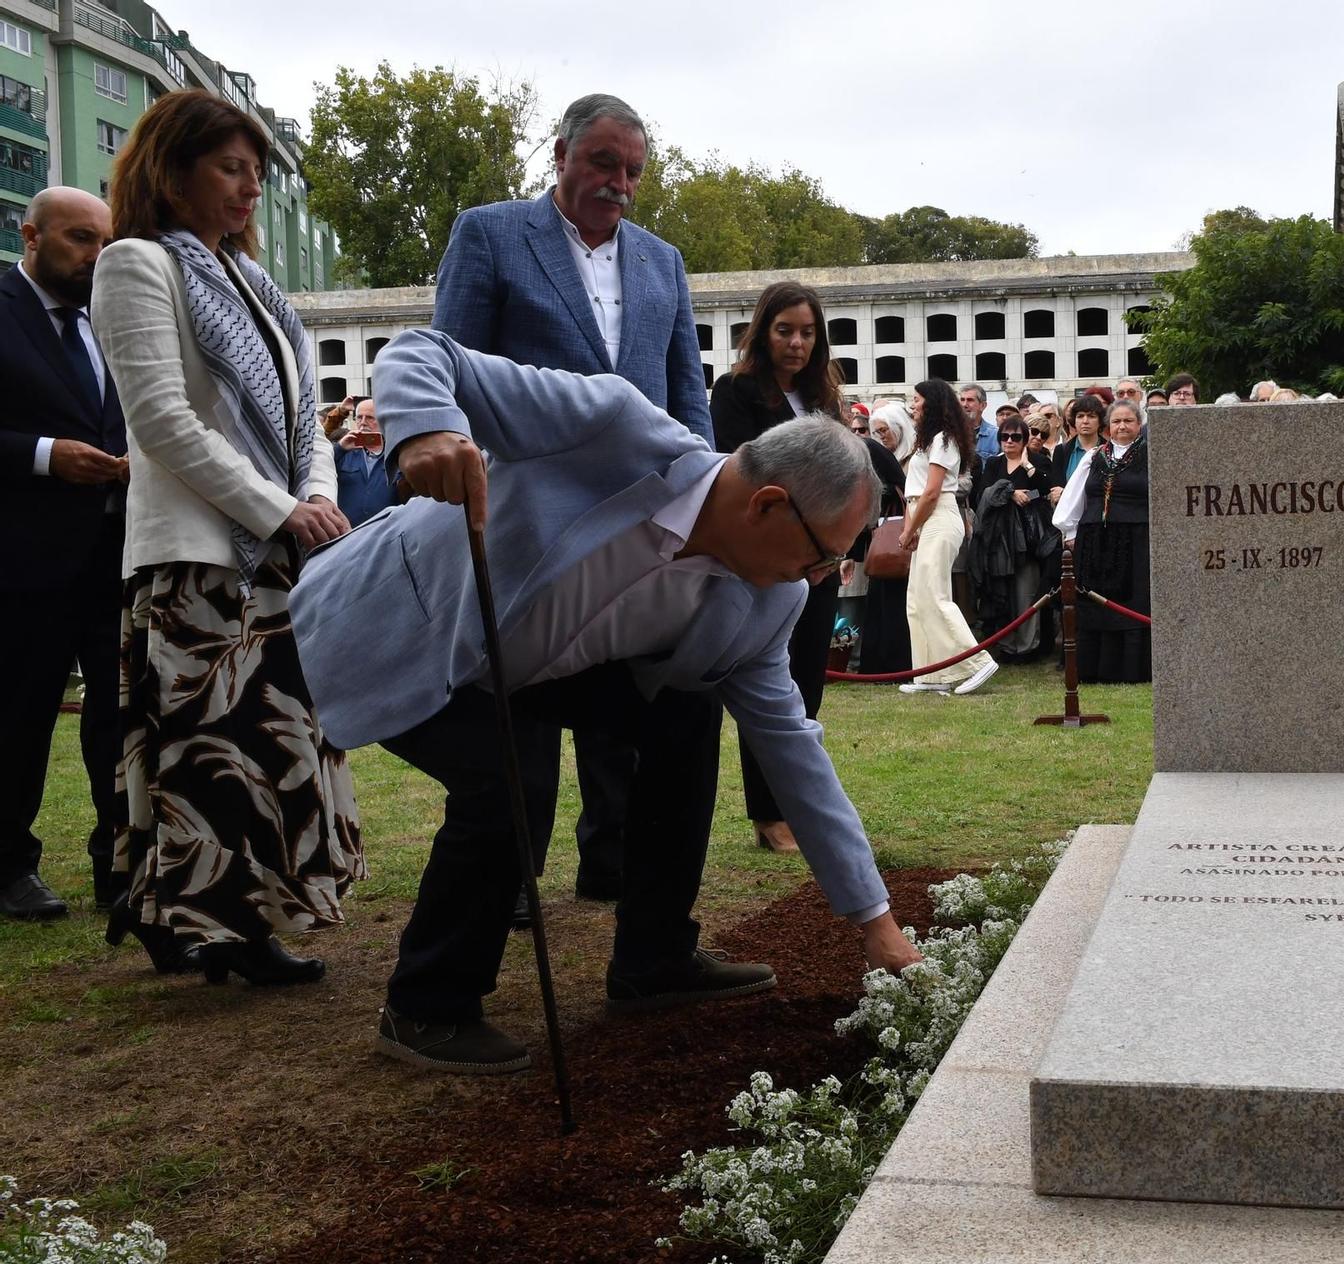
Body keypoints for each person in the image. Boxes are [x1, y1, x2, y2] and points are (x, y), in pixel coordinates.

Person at [289, 331, 924, 1071]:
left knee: (687, 713)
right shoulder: (614, 425)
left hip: (543, 665)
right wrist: (427, 426)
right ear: (768, 504)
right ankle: (427, 1005)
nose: (820, 578)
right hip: (413, 622)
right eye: (822, 554)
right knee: (508, 780)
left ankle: (653, 958)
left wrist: (873, 921)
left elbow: (794, 751)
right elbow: (424, 353)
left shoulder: (764, 604)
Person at [91, 89, 362, 983]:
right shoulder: (135, 264)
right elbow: (163, 421)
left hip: (272, 558)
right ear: (171, 174)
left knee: (266, 745)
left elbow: (302, 421)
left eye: (256, 172)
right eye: (230, 169)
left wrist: (312, 498)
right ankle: (212, 925)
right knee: (210, 752)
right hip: (196, 557)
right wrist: (279, 508)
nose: (250, 189)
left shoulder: (255, 285)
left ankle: (223, 919)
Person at [432, 92, 714, 910]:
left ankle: (613, 861)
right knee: (520, 696)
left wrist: (700, 493)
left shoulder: (663, 261)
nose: (619, 184)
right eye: (603, 162)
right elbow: (451, 362)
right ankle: (512, 873)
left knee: (626, 688)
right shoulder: (489, 234)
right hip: (527, 515)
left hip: (638, 513)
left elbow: (686, 393)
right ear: (559, 155)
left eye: (632, 171)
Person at [1, 187, 127, 923]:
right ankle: (9, 864)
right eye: (81, 240)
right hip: (22, 560)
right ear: (31, 235)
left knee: (118, 708)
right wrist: (48, 457)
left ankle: (118, 857)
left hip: (112, 549)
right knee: (20, 712)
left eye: (104, 242)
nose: (96, 256)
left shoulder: (103, 322)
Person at [710, 281, 845, 855]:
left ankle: (794, 803)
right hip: (770, 563)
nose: (796, 343)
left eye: (808, 332)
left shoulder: (824, 398)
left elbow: (842, 477)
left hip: (821, 562)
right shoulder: (735, 391)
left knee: (807, 683)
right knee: (769, 686)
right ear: (763, 332)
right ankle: (767, 812)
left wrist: (832, 550)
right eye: (785, 329)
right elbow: (745, 475)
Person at [899, 380, 999, 696]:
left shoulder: (944, 438)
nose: (913, 405)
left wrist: (910, 529)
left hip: (938, 517)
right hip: (924, 517)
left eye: (917, 400)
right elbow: (915, 494)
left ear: (932, 403)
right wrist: (911, 527)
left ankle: (977, 662)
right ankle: (930, 675)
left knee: (935, 596)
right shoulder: (927, 439)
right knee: (917, 600)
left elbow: (931, 493)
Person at [1054, 399, 1152, 682]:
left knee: (1134, 603)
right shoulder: (1094, 456)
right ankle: (1094, 669)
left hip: (1136, 541)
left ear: (1139, 425)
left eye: (1128, 421)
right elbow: (1074, 497)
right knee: (1094, 605)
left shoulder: (1151, 455)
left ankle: (1133, 670)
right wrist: (1070, 533)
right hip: (1095, 541)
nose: (1122, 426)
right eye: (1117, 421)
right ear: (1109, 425)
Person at [972, 415, 1057, 660]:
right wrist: (1009, 493)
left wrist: (1028, 467)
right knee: (1004, 593)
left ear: (1025, 439)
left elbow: (1046, 489)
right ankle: (1008, 645)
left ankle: (1028, 646)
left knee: (1026, 592)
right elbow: (983, 494)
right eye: (1004, 437)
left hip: (1028, 540)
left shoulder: (1039, 461)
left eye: (1016, 437)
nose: (1009, 441)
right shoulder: (995, 465)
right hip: (999, 541)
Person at [856, 402, 914, 675]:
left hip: (901, 535)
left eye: (885, 430)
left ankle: (894, 663)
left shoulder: (911, 455)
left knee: (896, 602)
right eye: (876, 430)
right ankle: (876, 662)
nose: (881, 436)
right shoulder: (879, 452)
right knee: (879, 599)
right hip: (882, 536)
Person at [333, 397, 394, 527]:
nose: (363, 423)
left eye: (370, 418)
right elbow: (319, 468)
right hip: (347, 533)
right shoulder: (343, 450)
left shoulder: (395, 453)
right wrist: (339, 449)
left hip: (385, 531)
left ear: (383, 421)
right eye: (359, 417)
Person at [1051, 392, 1107, 512]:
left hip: (1100, 516)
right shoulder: (1061, 451)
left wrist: (1065, 493)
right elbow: (1056, 491)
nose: (1085, 421)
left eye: (1091, 416)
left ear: (1100, 421)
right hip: (1070, 517)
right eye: (1080, 416)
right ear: (1074, 420)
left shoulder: (1109, 450)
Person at [960, 383, 999, 460]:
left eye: (970, 400)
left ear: (983, 406)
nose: (965, 404)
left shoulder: (996, 435)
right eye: (962, 400)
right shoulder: (950, 434)